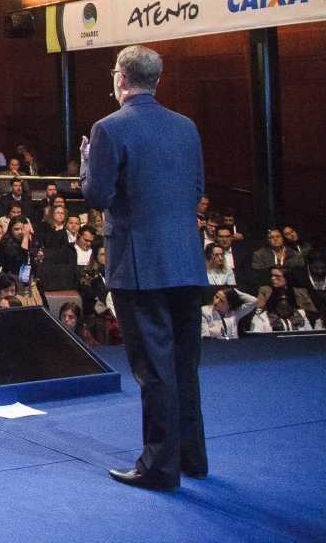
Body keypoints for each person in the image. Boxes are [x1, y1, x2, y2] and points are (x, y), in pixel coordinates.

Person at [82, 44, 207, 492]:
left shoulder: (108, 129)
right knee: (183, 365)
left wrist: (85, 162)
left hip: (139, 265)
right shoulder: (186, 127)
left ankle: (159, 467)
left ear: (121, 79)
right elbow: (197, 187)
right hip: (187, 260)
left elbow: (97, 197)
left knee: (153, 369)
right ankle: (191, 458)